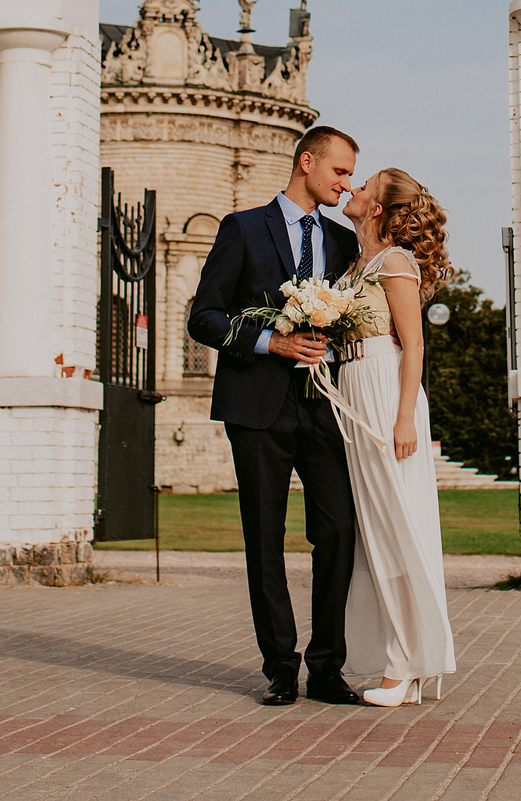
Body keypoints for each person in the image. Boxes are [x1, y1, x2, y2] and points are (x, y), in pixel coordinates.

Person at [187, 125, 364, 706]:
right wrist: (271, 342)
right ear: (306, 162)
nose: (346, 183)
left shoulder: (342, 243)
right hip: (256, 405)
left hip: (324, 405)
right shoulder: (241, 229)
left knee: (338, 529)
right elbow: (204, 318)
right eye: (339, 171)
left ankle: (328, 666)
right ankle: (281, 669)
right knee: (264, 537)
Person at [329, 167, 458, 705]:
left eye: (364, 188)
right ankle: (400, 660)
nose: (353, 189)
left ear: (378, 208)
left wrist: (405, 417)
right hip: (352, 383)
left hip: (385, 389)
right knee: (375, 531)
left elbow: (414, 345)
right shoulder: (356, 263)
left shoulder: (395, 262)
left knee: (397, 525)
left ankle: (406, 664)